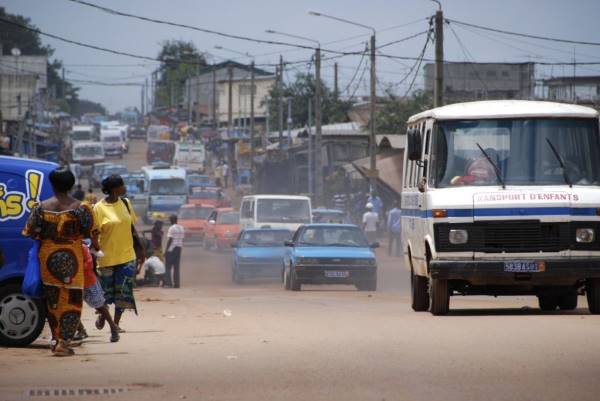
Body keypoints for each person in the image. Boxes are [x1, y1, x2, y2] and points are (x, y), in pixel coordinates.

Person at [22, 168, 94, 356]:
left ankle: (56, 340)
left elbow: (30, 231)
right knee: (72, 300)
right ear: (71, 186)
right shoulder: (82, 208)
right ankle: (64, 342)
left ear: (52, 185)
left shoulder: (40, 207)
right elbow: (89, 231)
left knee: (53, 301)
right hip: (73, 260)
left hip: (48, 259)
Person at [93, 175, 144, 332]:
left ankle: (115, 324)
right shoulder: (98, 208)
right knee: (107, 294)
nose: (125, 188)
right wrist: (97, 251)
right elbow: (94, 233)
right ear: (115, 189)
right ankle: (103, 315)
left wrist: (141, 249)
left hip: (127, 256)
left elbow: (132, 229)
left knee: (123, 291)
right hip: (106, 258)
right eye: (122, 185)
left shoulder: (126, 203)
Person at [164, 214, 184, 288]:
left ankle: (168, 283)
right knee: (176, 267)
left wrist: (166, 250)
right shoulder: (181, 228)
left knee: (168, 267)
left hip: (172, 249)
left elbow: (170, 239)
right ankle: (177, 284)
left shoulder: (171, 228)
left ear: (171, 220)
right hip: (179, 248)